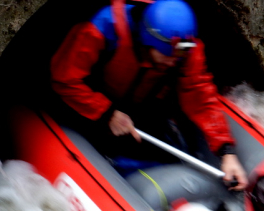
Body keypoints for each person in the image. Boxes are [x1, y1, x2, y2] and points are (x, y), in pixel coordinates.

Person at [49, 0, 247, 190]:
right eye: (167, 55)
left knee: (163, 154)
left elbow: (200, 95)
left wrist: (226, 152)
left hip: (139, 108)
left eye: (178, 57)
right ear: (147, 41)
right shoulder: (104, 27)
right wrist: (107, 113)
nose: (173, 62)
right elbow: (64, 79)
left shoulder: (186, 49)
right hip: (90, 101)